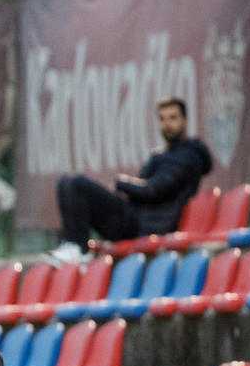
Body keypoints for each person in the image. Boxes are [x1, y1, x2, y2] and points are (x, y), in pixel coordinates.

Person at [46, 97, 212, 267]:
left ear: (185, 120)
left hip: (146, 226)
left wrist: (122, 183)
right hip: (136, 219)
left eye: (173, 118)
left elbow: (155, 189)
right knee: (65, 182)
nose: (167, 124)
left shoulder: (188, 156)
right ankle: (73, 246)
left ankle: (79, 251)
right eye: (162, 119)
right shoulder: (162, 155)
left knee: (76, 184)